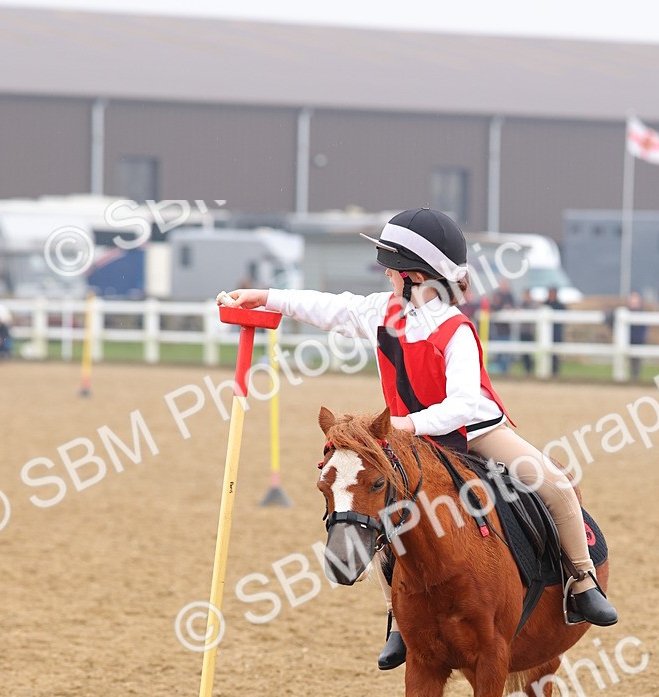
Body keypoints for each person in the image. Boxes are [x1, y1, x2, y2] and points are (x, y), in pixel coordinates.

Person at [219, 208, 618, 670]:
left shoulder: (456, 331)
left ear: (417, 277)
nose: (386, 274)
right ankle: (398, 618)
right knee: (383, 516)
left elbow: (465, 404)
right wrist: (265, 297)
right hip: (413, 442)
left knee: (556, 486)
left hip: (478, 434)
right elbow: (328, 307)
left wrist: (405, 426)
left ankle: (582, 583)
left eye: (392, 268)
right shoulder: (380, 311)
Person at [490, 279, 514, 374]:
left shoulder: (510, 296)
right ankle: (501, 370)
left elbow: (513, 307)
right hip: (497, 329)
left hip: (506, 329)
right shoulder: (497, 295)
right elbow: (494, 307)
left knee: (506, 351)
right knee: (499, 352)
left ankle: (505, 370)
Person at [626, 292, 648, 380]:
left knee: (637, 363)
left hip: (638, 340)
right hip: (628, 340)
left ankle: (635, 378)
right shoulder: (627, 312)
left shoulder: (642, 313)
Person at [545, 286, 566, 376]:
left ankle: (555, 372)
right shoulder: (545, 304)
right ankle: (546, 370)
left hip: (556, 331)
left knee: (556, 353)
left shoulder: (560, 305)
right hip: (546, 334)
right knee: (546, 353)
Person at [518, 288, 537, 376]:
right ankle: (526, 369)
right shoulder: (522, 303)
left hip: (530, 331)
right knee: (524, 352)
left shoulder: (533, 304)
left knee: (530, 352)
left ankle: (529, 369)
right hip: (523, 330)